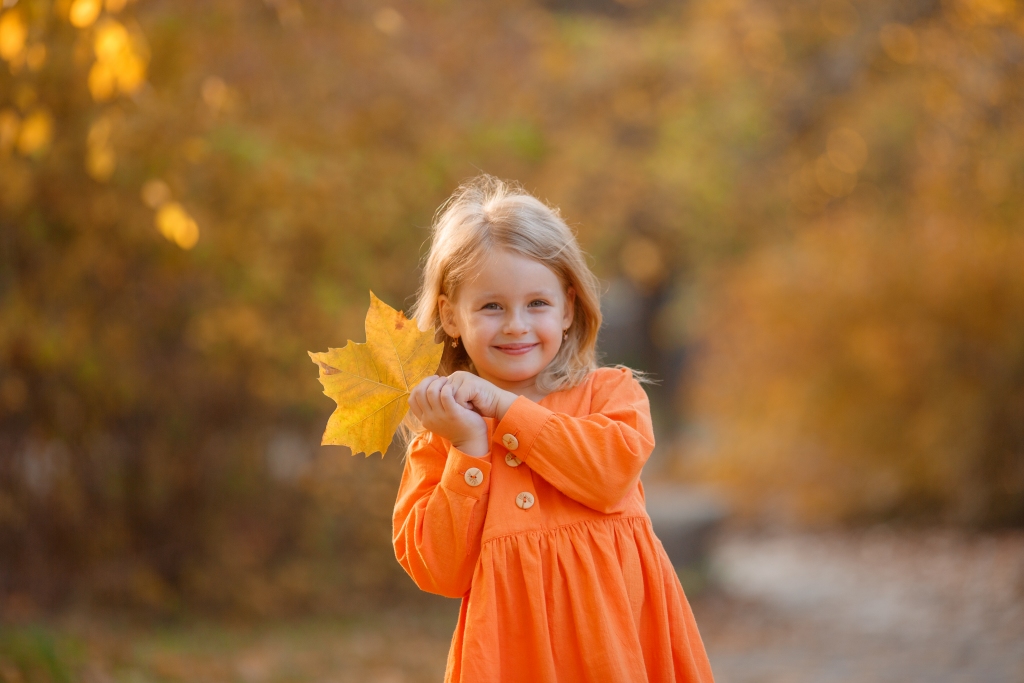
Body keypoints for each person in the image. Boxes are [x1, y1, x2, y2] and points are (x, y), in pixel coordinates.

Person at [393, 175, 715, 682]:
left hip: (618, 646)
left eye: (537, 304)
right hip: (513, 660)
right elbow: (440, 571)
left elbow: (608, 476)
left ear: (568, 307)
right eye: (492, 306)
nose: (517, 324)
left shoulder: (611, 394)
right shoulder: (446, 433)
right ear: (451, 316)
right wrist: (470, 449)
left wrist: (504, 408)